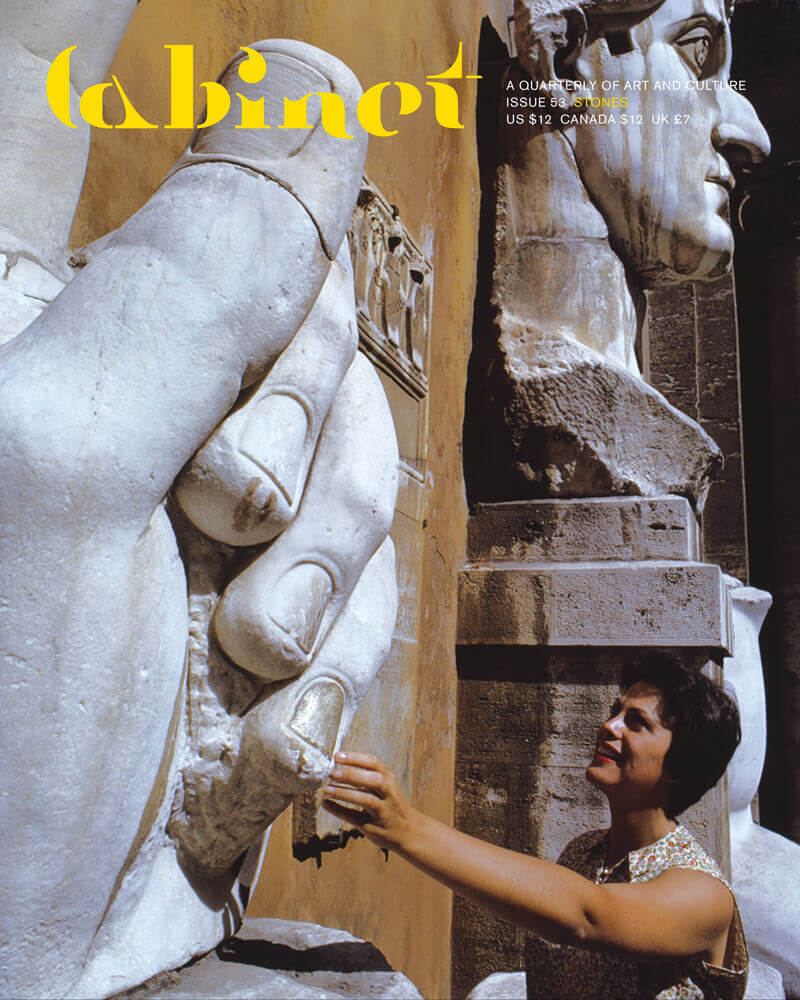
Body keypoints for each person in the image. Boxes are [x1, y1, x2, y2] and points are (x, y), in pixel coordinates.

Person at [322, 655, 748, 999]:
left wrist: (404, 827)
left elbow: (588, 916)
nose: (609, 726)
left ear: (681, 766)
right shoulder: (584, 854)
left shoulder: (704, 895)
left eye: (636, 723)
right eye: (615, 711)